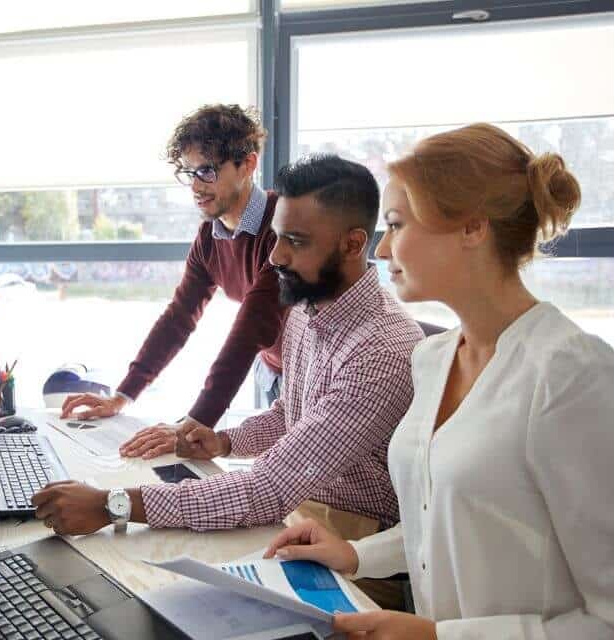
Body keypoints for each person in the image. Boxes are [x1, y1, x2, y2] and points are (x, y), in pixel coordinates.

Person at [263, 123, 614, 638]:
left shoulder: (571, 375)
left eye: (397, 225)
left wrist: (438, 637)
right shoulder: (433, 357)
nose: (381, 252)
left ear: (472, 228)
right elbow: (448, 522)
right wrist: (357, 554)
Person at [34, 155, 423, 547]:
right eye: (277, 237)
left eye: (295, 242)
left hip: (355, 532)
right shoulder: (307, 309)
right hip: (299, 502)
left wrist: (110, 506)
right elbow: (291, 415)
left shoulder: (381, 351)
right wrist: (224, 441)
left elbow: (267, 490)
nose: (275, 257)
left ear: (353, 244)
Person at [60, 104, 286, 450]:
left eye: (207, 171)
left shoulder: (284, 226)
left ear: (249, 164)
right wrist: (123, 395)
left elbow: (252, 325)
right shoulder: (209, 238)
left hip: (310, 368)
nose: (196, 186)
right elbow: (179, 318)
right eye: (190, 172)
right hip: (271, 368)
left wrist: (195, 423)